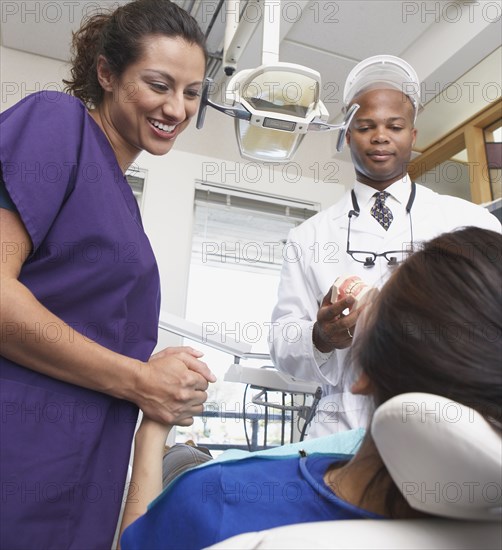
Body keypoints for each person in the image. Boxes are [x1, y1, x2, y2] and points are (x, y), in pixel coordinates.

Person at [117, 227, 501, 550]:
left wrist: (151, 430)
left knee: (182, 462)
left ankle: (179, 452)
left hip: (201, 475)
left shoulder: (217, 499)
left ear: (362, 374)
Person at [0, 1, 216, 548]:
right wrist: (143, 381)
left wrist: (157, 370)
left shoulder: (123, 205)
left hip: (80, 466)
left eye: (192, 92)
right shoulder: (57, 122)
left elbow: (77, 320)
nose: (177, 107)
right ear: (106, 73)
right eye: (159, 84)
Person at [269, 55, 501, 438]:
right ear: (346, 134)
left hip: (446, 427)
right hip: (341, 430)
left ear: (413, 135)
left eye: (395, 126)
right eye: (365, 126)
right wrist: (321, 336)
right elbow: (282, 346)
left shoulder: (469, 222)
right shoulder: (308, 237)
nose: (380, 136)